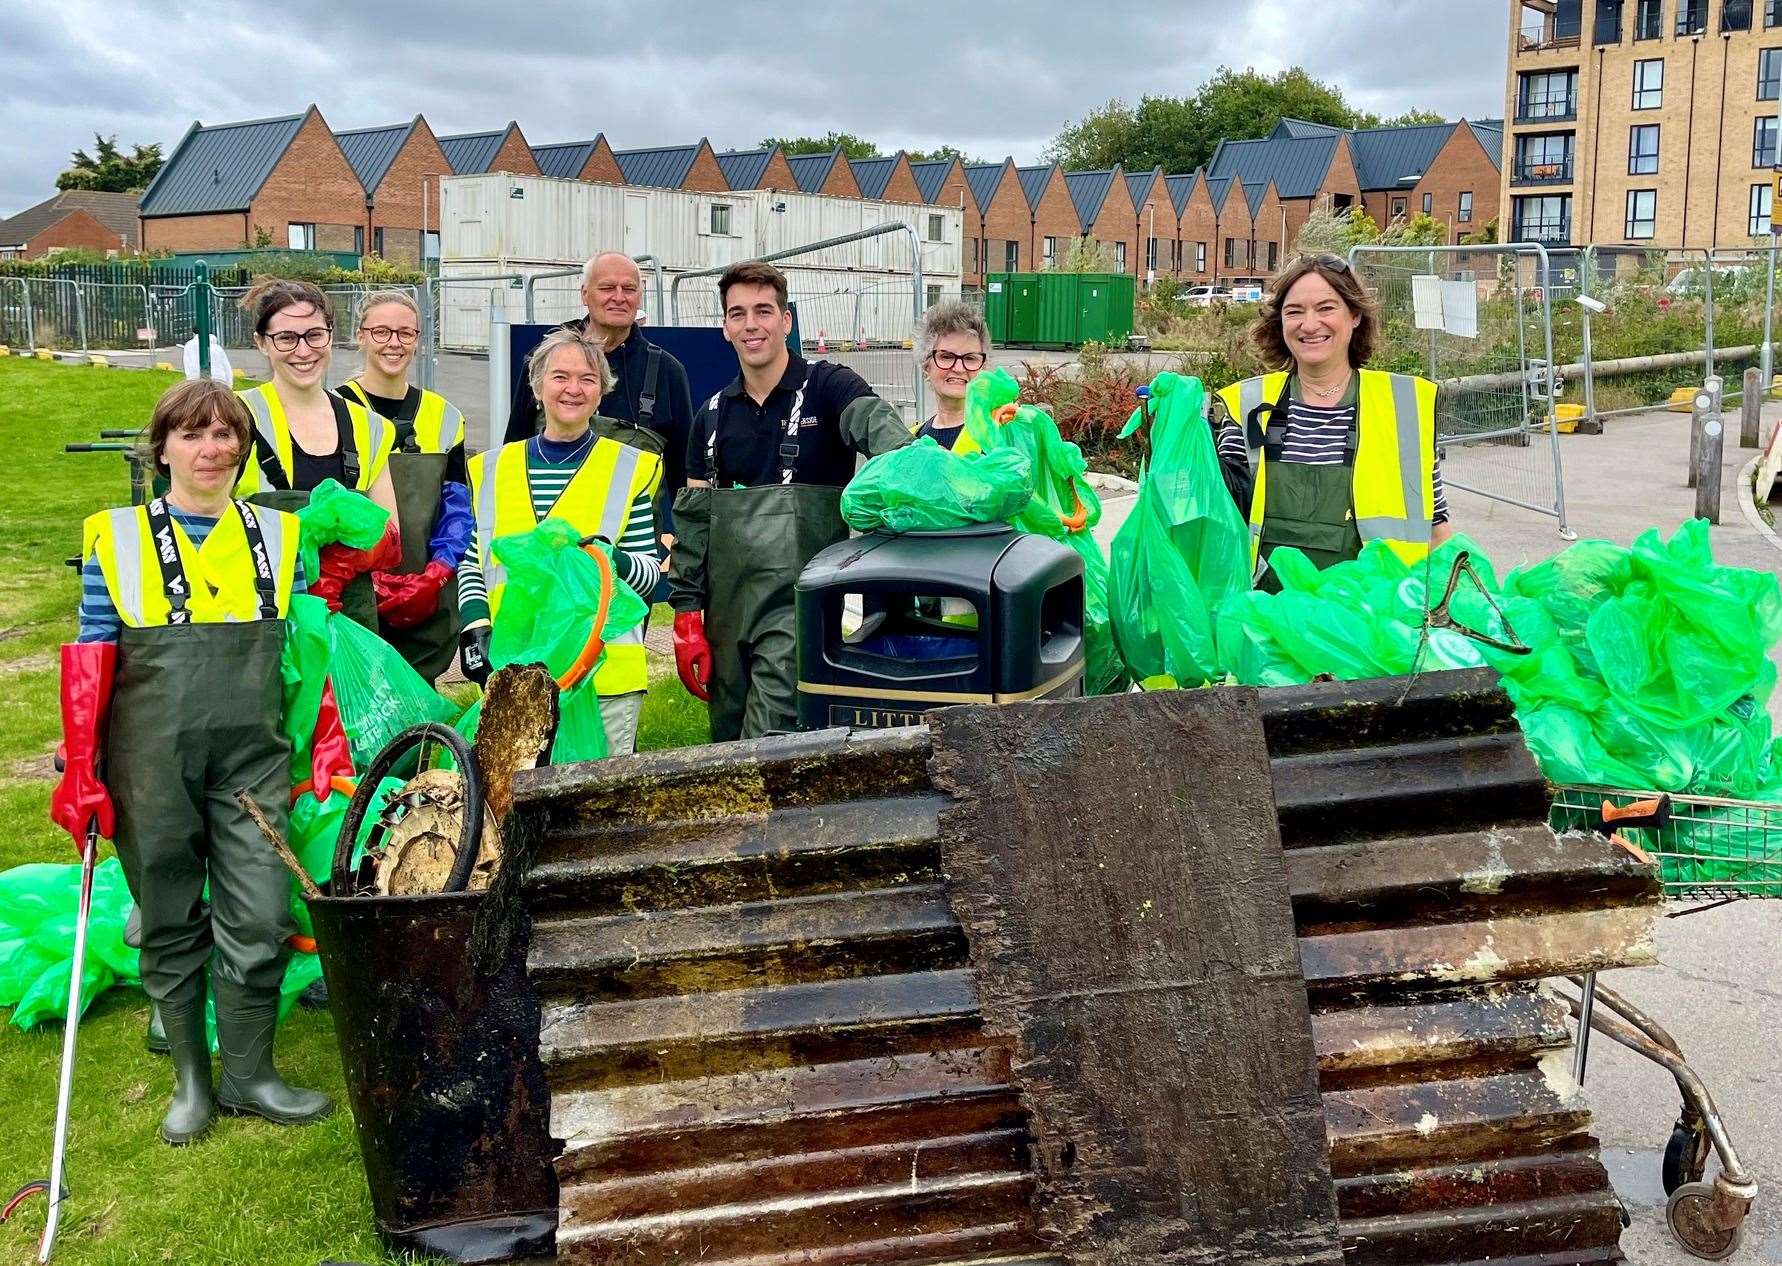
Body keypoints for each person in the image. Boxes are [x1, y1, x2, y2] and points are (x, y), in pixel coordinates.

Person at [52, 379, 343, 1144]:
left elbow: (308, 655)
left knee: (264, 911)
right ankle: (191, 1079)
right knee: (170, 911)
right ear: (162, 448)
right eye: (191, 435)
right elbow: (92, 652)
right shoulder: (114, 537)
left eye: (224, 435)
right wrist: (82, 763)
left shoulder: (281, 538)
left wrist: (326, 742)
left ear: (243, 448)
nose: (210, 449)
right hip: (150, 758)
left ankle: (250, 1073)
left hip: (252, 756)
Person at [670, 260, 913, 741]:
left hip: (799, 606)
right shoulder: (712, 416)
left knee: (767, 740)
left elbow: (895, 449)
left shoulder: (830, 388)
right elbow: (694, 524)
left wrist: (909, 482)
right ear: (725, 328)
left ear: (787, 320)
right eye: (737, 314)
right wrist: (685, 614)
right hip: (726, 611)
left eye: (763, 310)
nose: (751, 324)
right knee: (724, 738)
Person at [461, 327, 663, 754]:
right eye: (560, 376)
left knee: (596, 813)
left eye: (588, 379)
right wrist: (475, 627)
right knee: (509, 809)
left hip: (602, 677)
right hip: (512, 671)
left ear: (602, 391)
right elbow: (471, 561)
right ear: (537, 387)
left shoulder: (629, 468)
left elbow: (649, 576)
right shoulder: (491, 469)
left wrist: (610, 561)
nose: (574, 389)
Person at [1212, 253, 1453, 591]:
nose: (1309, 325)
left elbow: (1437, 530)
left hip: (1375, 625)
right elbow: (1218, 522)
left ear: (1354, 315)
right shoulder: (1249, 406)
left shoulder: (1403, 405)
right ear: (1279, 323)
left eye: (1326, 308)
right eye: (1294, 311)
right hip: (1268, 623)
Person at [234, 279, 401, 626]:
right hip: (261, 618)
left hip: (348, 621)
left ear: (330, 336)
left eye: (314, 335)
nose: (303, 350)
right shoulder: (234, 418)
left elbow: (391, 535)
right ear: (261, 344)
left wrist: (341, 565)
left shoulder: (369, 427)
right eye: (285, 338)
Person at [336, 290, 474, 681]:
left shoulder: (445, 417)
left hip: (425, 598)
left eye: (405, 333)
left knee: (419, 711)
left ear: (418, 339)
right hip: (354, 593)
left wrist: (439, 572)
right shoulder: (335, 410)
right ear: (360, 336)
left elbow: (456, 503)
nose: (393, 343)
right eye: (381, 332)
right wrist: (372, 579)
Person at [503, 251, 694, 520]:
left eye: (629, 288)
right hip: (544, 548)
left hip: (633, 551)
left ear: (639, 296)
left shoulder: (667, 371)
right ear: (584, 295)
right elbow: (513, 456)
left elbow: (683, 474)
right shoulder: (543, 361)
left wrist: (681, 542)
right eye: (606, 288)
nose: (618, 297)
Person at [911, 300, 990, 451]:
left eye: (970, 358)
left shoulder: (1001, 434)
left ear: (983, 368)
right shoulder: (912, 440)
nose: (959, 368)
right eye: (946, 357)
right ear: (926, 366)